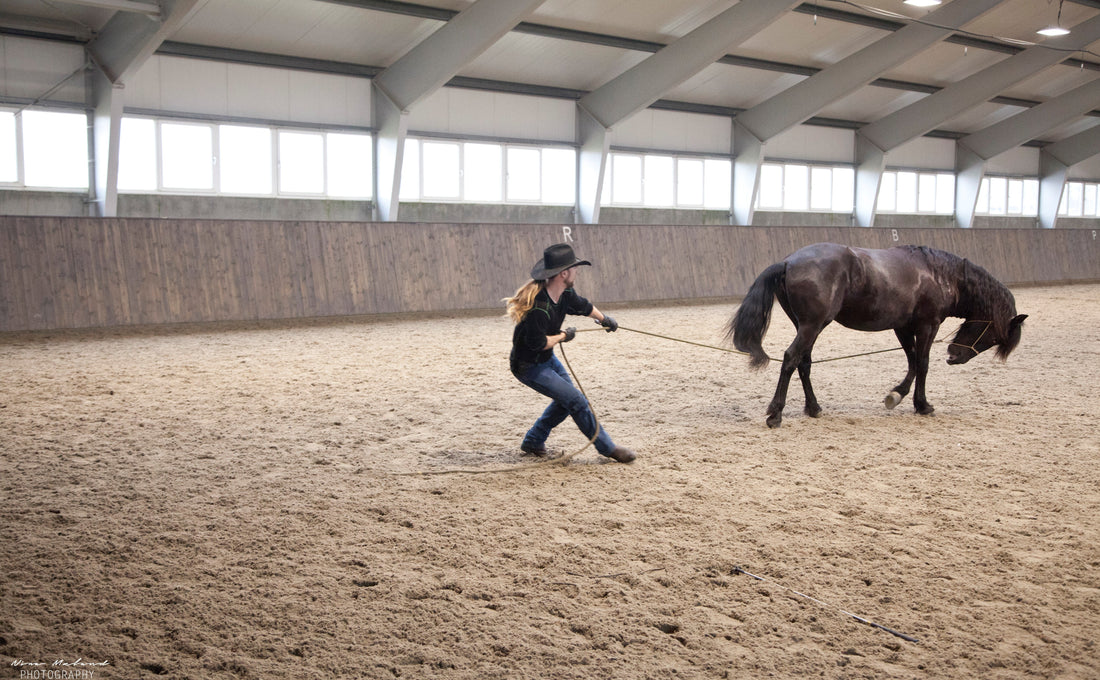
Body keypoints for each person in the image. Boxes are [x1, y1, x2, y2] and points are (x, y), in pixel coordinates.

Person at [503, 243, 636, 464]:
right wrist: (564, 336)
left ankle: (534, 440)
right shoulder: (539, 308)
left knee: (568, 400)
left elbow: (583, 306)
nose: (577, 272)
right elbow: (539, 343)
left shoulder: (564, 293)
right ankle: (607, 448)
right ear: (564, 274)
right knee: (575, 400)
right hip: (529, 366)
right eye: (575, 268)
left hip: (546, 359)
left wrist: (604, 319)